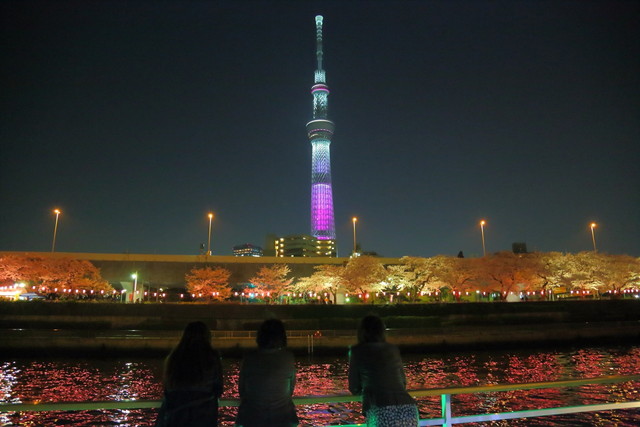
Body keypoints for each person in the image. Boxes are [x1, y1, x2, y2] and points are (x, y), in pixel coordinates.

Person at [348, 315, 418, 427]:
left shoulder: (357, 351)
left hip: (381, 408)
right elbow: (403, 382)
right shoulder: (392, 349)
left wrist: (367, 391)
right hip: (408, 408)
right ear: (382, 331)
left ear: (362, 332)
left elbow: (354, 387)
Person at [155, 321, 223, 427]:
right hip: (203, 416)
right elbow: (218, 388)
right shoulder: (211, 358)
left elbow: (167, 387)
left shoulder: (174, 358)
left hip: (175, 417)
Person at [235, 318, 298, 427]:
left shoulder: (249, 358)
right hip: (283, 419)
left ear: (260, 336)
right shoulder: (288, 358)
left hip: (253, 418)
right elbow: (290, 389)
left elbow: (242, 390)